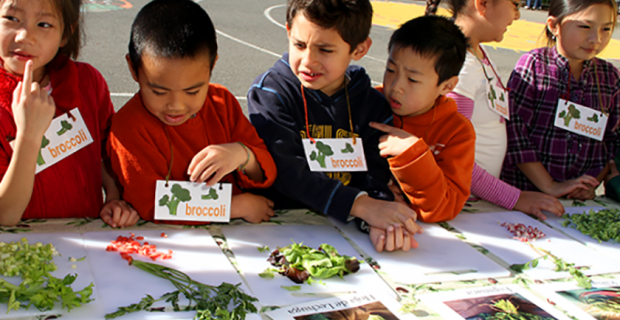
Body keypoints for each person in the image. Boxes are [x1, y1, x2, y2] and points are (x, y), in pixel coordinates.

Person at [248, 0, 422, 252]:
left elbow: (376, 173)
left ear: (360, 49)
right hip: (280, 229)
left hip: (347, 232)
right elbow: (286, 171)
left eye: (325, 50)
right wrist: (362, 206)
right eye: (299, 45)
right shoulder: (272, 93)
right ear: (288, 31)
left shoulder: (373, 104)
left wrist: (378, 220)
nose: (308, 61)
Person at [107, 0, 277, 226]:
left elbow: (265, 173)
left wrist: (241, 155)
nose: (176, 105)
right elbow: (150, 203)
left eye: (192, 91)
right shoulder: (127, 128)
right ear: (133, 69)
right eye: (158, 91)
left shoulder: (221, 103)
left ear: (212, 67)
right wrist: (236, 207)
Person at [426, 0, 565, 220]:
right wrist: (515, 198)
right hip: (460, 206)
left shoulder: (478, 54)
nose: (517, 15)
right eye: (515, 4)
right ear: (483, 4)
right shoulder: (461, 68)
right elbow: (451, 157)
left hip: (475, 198)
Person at [0, 0, 135, 226]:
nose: (24, 36)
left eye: (44, 24)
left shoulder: (87, 82)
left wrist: (114, 197)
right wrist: (28, 136)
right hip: (21, 249)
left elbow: (105, 152)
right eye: (12, 19)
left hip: (84, 242)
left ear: (66, 33)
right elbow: (5, 215)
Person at [503, 0, 620, 202]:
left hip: (579, 200)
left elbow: (613, 140)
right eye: (585, 26)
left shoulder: (610, 76)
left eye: (606, 29)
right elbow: (515, 134)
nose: (596, 39)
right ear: (554, 26)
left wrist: (589, 183)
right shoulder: (533, 66)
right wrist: (550, 186)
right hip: (526, 197)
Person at [370, 16, 475, 226]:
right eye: (391, 70)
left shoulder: (457, 132)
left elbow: (445, 207)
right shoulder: (367, 104)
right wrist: (379, 190)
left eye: (412, 79)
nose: (396, 86)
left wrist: (413, 154)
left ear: (447, 86)